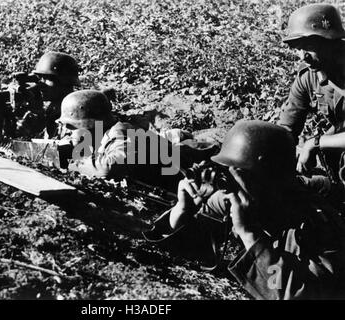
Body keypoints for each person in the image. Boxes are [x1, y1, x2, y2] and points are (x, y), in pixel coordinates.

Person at [145, 120, 345, 299]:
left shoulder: (317, 224)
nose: (232, 183)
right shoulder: (234, 200)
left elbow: (306, 294)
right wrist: (182, 210)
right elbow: (179, 251)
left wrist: (250, 235)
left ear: (267, 176)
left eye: (240, 174)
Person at [55, 90, 217, 192]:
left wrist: (74, 163)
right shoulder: (102, 133)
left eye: (73, 127)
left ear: (90, 124)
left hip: (184, 173)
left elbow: (109, 169)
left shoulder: (120, 132)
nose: (70, 133)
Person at [277, 4, 345, 193]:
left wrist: (316, 143)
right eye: (298, 48)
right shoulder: (309, 77)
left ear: (331, 41)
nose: (303, 56)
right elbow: (286, 130)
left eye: (308, 46)